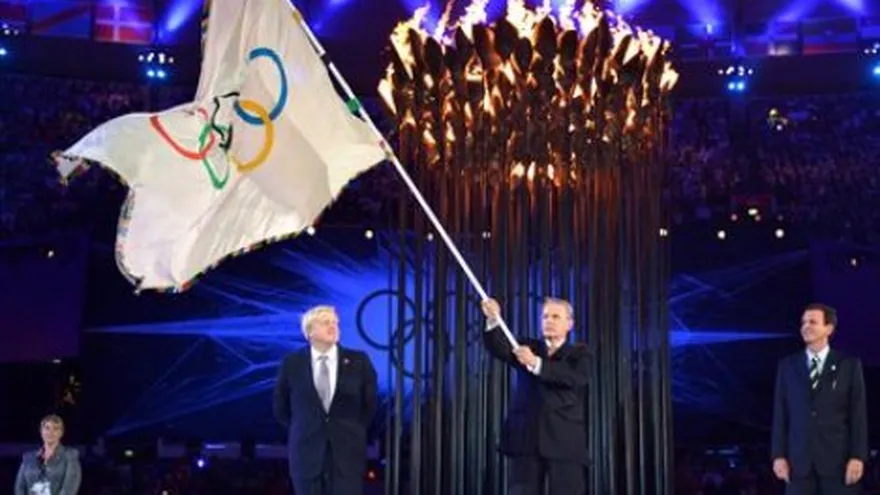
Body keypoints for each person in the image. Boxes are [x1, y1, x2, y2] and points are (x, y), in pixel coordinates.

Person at [481, 296, 591, 495]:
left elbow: (574, 378)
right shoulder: (528, 346)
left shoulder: (579, 354)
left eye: (556, 317)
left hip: (564, 442)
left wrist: (536, 363)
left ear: (570, 323)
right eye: (545, 316)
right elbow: (500, 348)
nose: (549, 321)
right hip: (525, 440)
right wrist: (493, 319)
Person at [273, 304, 378, 495]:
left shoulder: (359, 361)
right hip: (306, 454)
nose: (333, 326)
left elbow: (369, 406)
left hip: (347, 455)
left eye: (335, 323)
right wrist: (307, 426)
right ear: (310, 331)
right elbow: (281, 408)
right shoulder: (292, 363)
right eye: (325, 322)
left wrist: (350, 428)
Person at [771, 303, 868, 494]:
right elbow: (780, 413)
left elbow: (858, 413)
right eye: (803, 322)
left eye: (813, 322)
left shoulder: (848, 365)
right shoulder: (787, 366)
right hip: (798, 465)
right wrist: (778, 455)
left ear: (829, 329)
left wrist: (857, 456)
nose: (806, 326)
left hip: (838, 464)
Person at [14, 414, 81, 495]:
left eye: (55, 428)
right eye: (47, 428)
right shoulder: (28, 457)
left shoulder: (70, 456)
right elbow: (19, 488)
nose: (50, 432)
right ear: (41, 431)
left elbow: (69, 489)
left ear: (61, 433)